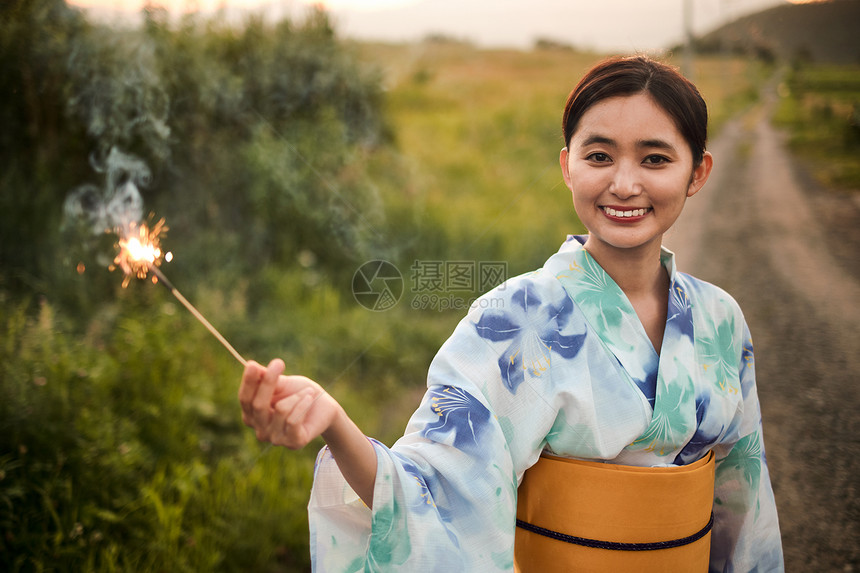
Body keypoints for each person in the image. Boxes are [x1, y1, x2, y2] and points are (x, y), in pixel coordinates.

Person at [238, 55, 784, 571]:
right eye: (599, 156)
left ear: (698, 171)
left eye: (655, 158)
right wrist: (333, 420)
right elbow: (432, 485)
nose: (624, 183)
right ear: (568, 167)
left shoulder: (720, 319)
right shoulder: (515, 318)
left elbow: (744, 498)